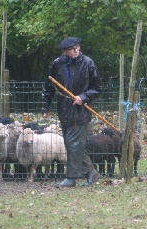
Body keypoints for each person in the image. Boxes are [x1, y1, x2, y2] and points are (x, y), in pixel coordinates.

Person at [42, 37, 101, 187]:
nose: (76, 50)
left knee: (74, 144)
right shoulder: (56, 64)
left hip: (81, 111)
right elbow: (48, 87)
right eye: (71, 49)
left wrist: (83, 97)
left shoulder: (88, 63)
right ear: (64, 52)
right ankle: (91, 172)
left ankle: (71, 178)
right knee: (71, 144)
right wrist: (45, 107)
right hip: (64, 109)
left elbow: (97, 88)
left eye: (77, 47)